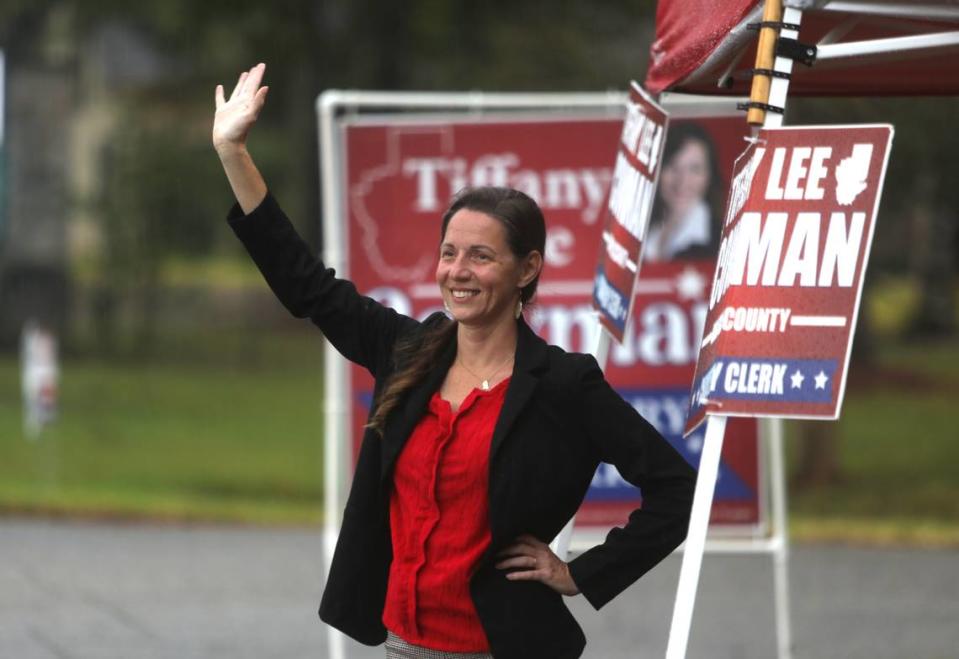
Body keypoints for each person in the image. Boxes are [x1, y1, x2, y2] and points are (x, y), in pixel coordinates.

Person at [213, 63, 695, 659]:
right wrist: (233, 152)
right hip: (400, 644)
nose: (457, 271)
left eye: (481, 256)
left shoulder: (563, 384)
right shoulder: (408, 352)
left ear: (528, 269)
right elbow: (307, 286)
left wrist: (579, 572)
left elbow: (677, 489)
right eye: (448, 253)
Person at [644, 123, 724, 263]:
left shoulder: (722, 242)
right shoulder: (642, 230)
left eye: (695, 169)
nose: (682, 181)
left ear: (709, 176)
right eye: (673, 166)